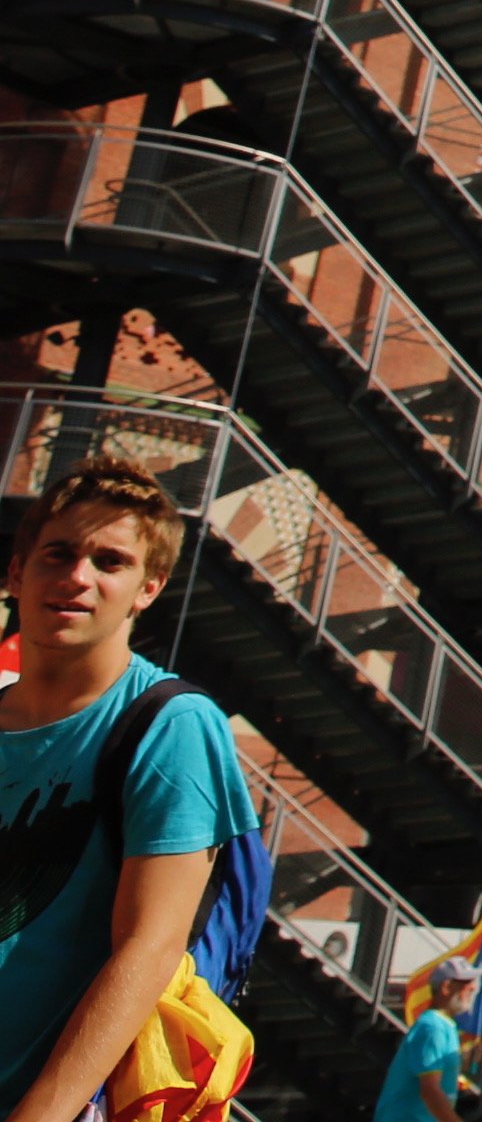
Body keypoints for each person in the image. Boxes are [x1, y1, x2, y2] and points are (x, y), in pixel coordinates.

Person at [0, 459, 263, 1120]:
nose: (77, 577)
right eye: (57, 554)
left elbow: (149, 947)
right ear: (15, 572)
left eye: (109, 561)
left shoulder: (168, 724)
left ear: (148, 587)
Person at [377, 959, 482, 1122]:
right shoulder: (433, 1027)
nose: (473, 988)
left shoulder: (443, 1026)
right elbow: (430, 1091)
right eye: (466, 984)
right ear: (446, 987)